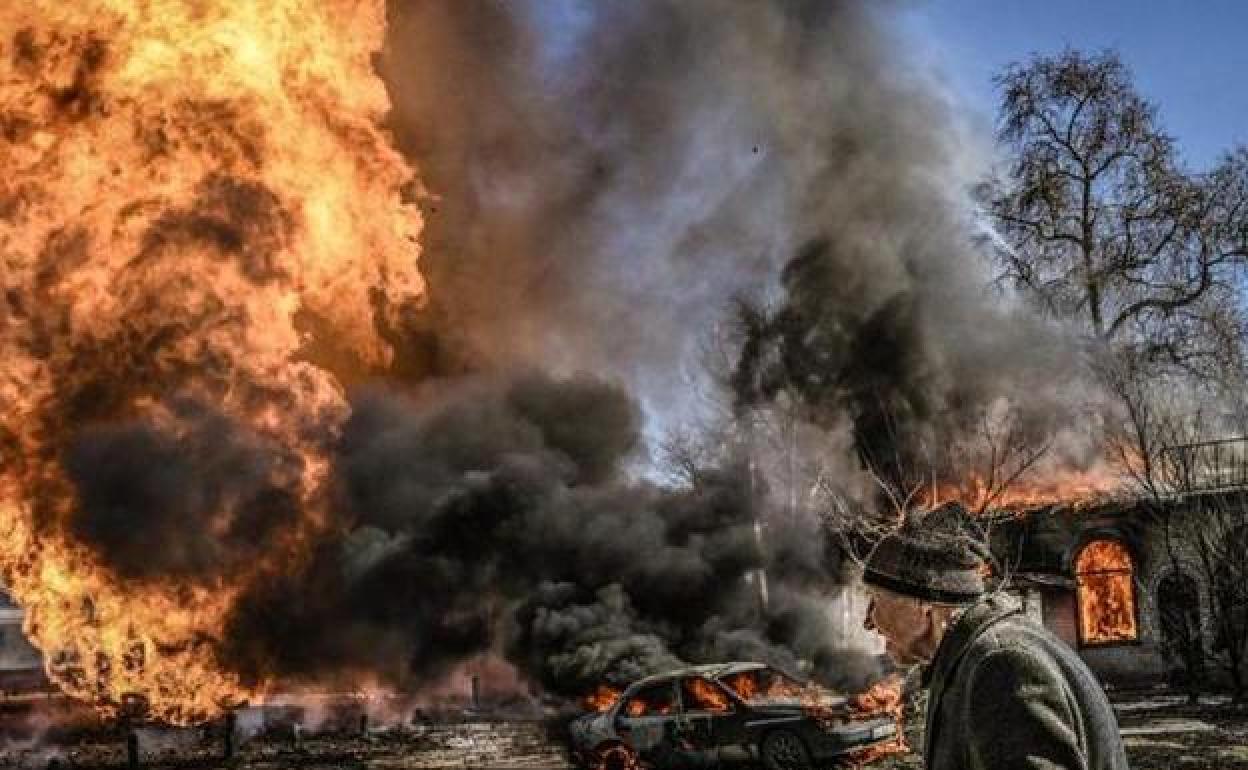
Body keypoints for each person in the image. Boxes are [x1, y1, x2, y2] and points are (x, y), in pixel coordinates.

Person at [862, 528, 1129, 770]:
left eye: (875, 600)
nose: (868, 621)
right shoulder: (976, 658)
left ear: (923, 603)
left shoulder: (1002, 666)